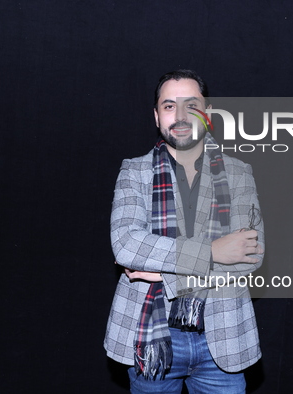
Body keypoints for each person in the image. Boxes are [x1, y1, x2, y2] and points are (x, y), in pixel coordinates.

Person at [104, 69, 264, 394]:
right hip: (153, 337)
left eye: (191, 105)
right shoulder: (134, 172)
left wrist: (161, 274)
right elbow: (126, 245)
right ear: (156, 115)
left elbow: (249, 256)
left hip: (223, 337)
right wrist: (213, 251)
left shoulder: (238, 174)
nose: (179, 116)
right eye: (168, 106)